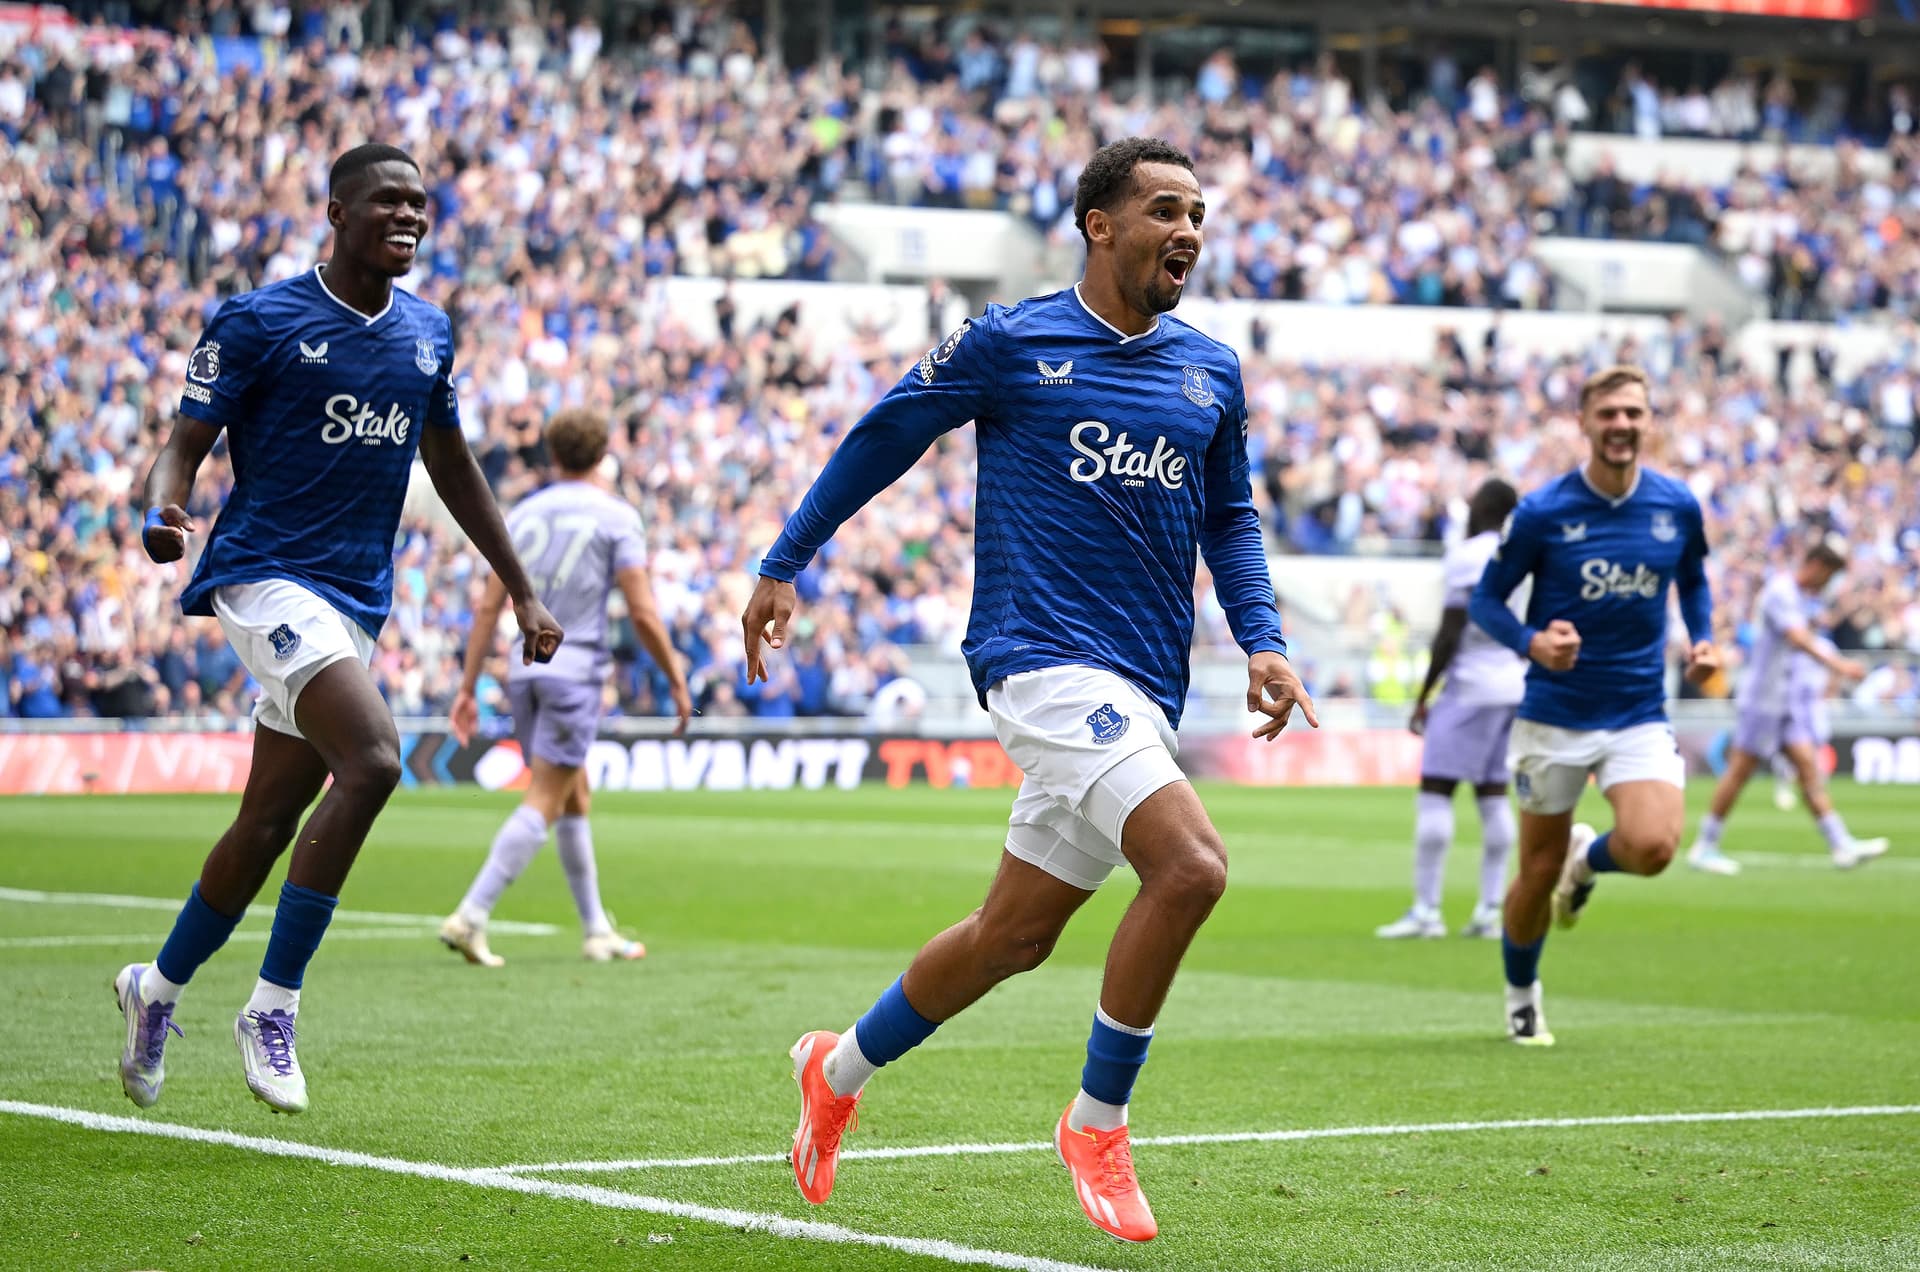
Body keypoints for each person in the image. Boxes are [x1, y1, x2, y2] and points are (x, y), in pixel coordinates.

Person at [740, 136, 1316, 1243]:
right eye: (1163, 210)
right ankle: (1097, 1123)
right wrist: (784, 560)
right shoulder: (1014, 341)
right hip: (1039, 660)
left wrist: (1264, 639)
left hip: (1146, 684)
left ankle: (836, 1068)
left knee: (1013, 937)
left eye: (1198, 212)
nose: (1187, 230)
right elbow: (886, 436)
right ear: (1100, 225)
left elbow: (1230, 518)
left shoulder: (1210, 369)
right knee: (1191, 867)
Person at [116, 143, 563, 1115]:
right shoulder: (260, 319)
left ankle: (154, 990)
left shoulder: (427, 335)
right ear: (336, 211)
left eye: (421, 204)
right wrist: (166, 508)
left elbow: (452, 465)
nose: (409, 216)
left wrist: (522, 589)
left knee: (267, 822)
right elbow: (183, 441)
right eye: (388, 201)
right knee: (374, 761)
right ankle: (272, 1009)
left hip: (356, 598)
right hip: (264, 579)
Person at [1468, 365, 1723, 1047]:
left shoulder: (1676, 505)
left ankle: (1591, 862)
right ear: (1584, 422)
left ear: (1648, 421)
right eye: (1608, 414)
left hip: (1639, 711)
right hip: (1553, 714)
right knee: (1535, 872)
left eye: (1633, 413)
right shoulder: (1546, 511)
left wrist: (1701, 639)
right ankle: (1522, 993)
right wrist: (1532, 643)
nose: (1621, 426)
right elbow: (1486, 601)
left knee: (1654, 847)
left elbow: (1694, 578)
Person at [439, 409, 693, 966]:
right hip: (574, 673)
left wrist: (466, 686)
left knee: (573, 793)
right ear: (603, 455)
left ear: (551, 455)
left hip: (524, 668)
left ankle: (596, 929)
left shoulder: (523, 513)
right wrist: (676, 679)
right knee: (547, 797)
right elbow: (644, 614)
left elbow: (488, 606)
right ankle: (471, 914)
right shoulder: (616, 517)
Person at [1378, 478, 1524, 941]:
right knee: (1494, 793)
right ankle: (1491, 910)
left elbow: (1451, 630)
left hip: (1470, 686)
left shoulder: (1469, 556)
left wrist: (1425, 695)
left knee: (1437, 790)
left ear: (1481, 507)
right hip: (1514, 685)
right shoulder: (1523, 554)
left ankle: (1427, 911)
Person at [1686, 539, 1887, 873]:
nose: (1828, 584)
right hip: (1762, 702)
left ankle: (1841, 845)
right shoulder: (1780, 592)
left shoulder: (1799, 598)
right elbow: (1798, 639)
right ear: (1817, 566)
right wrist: (1840, 667)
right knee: (1739, 772)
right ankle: (1704, 845)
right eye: (1830, 576)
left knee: (1808, 770)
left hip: (1786, 703)